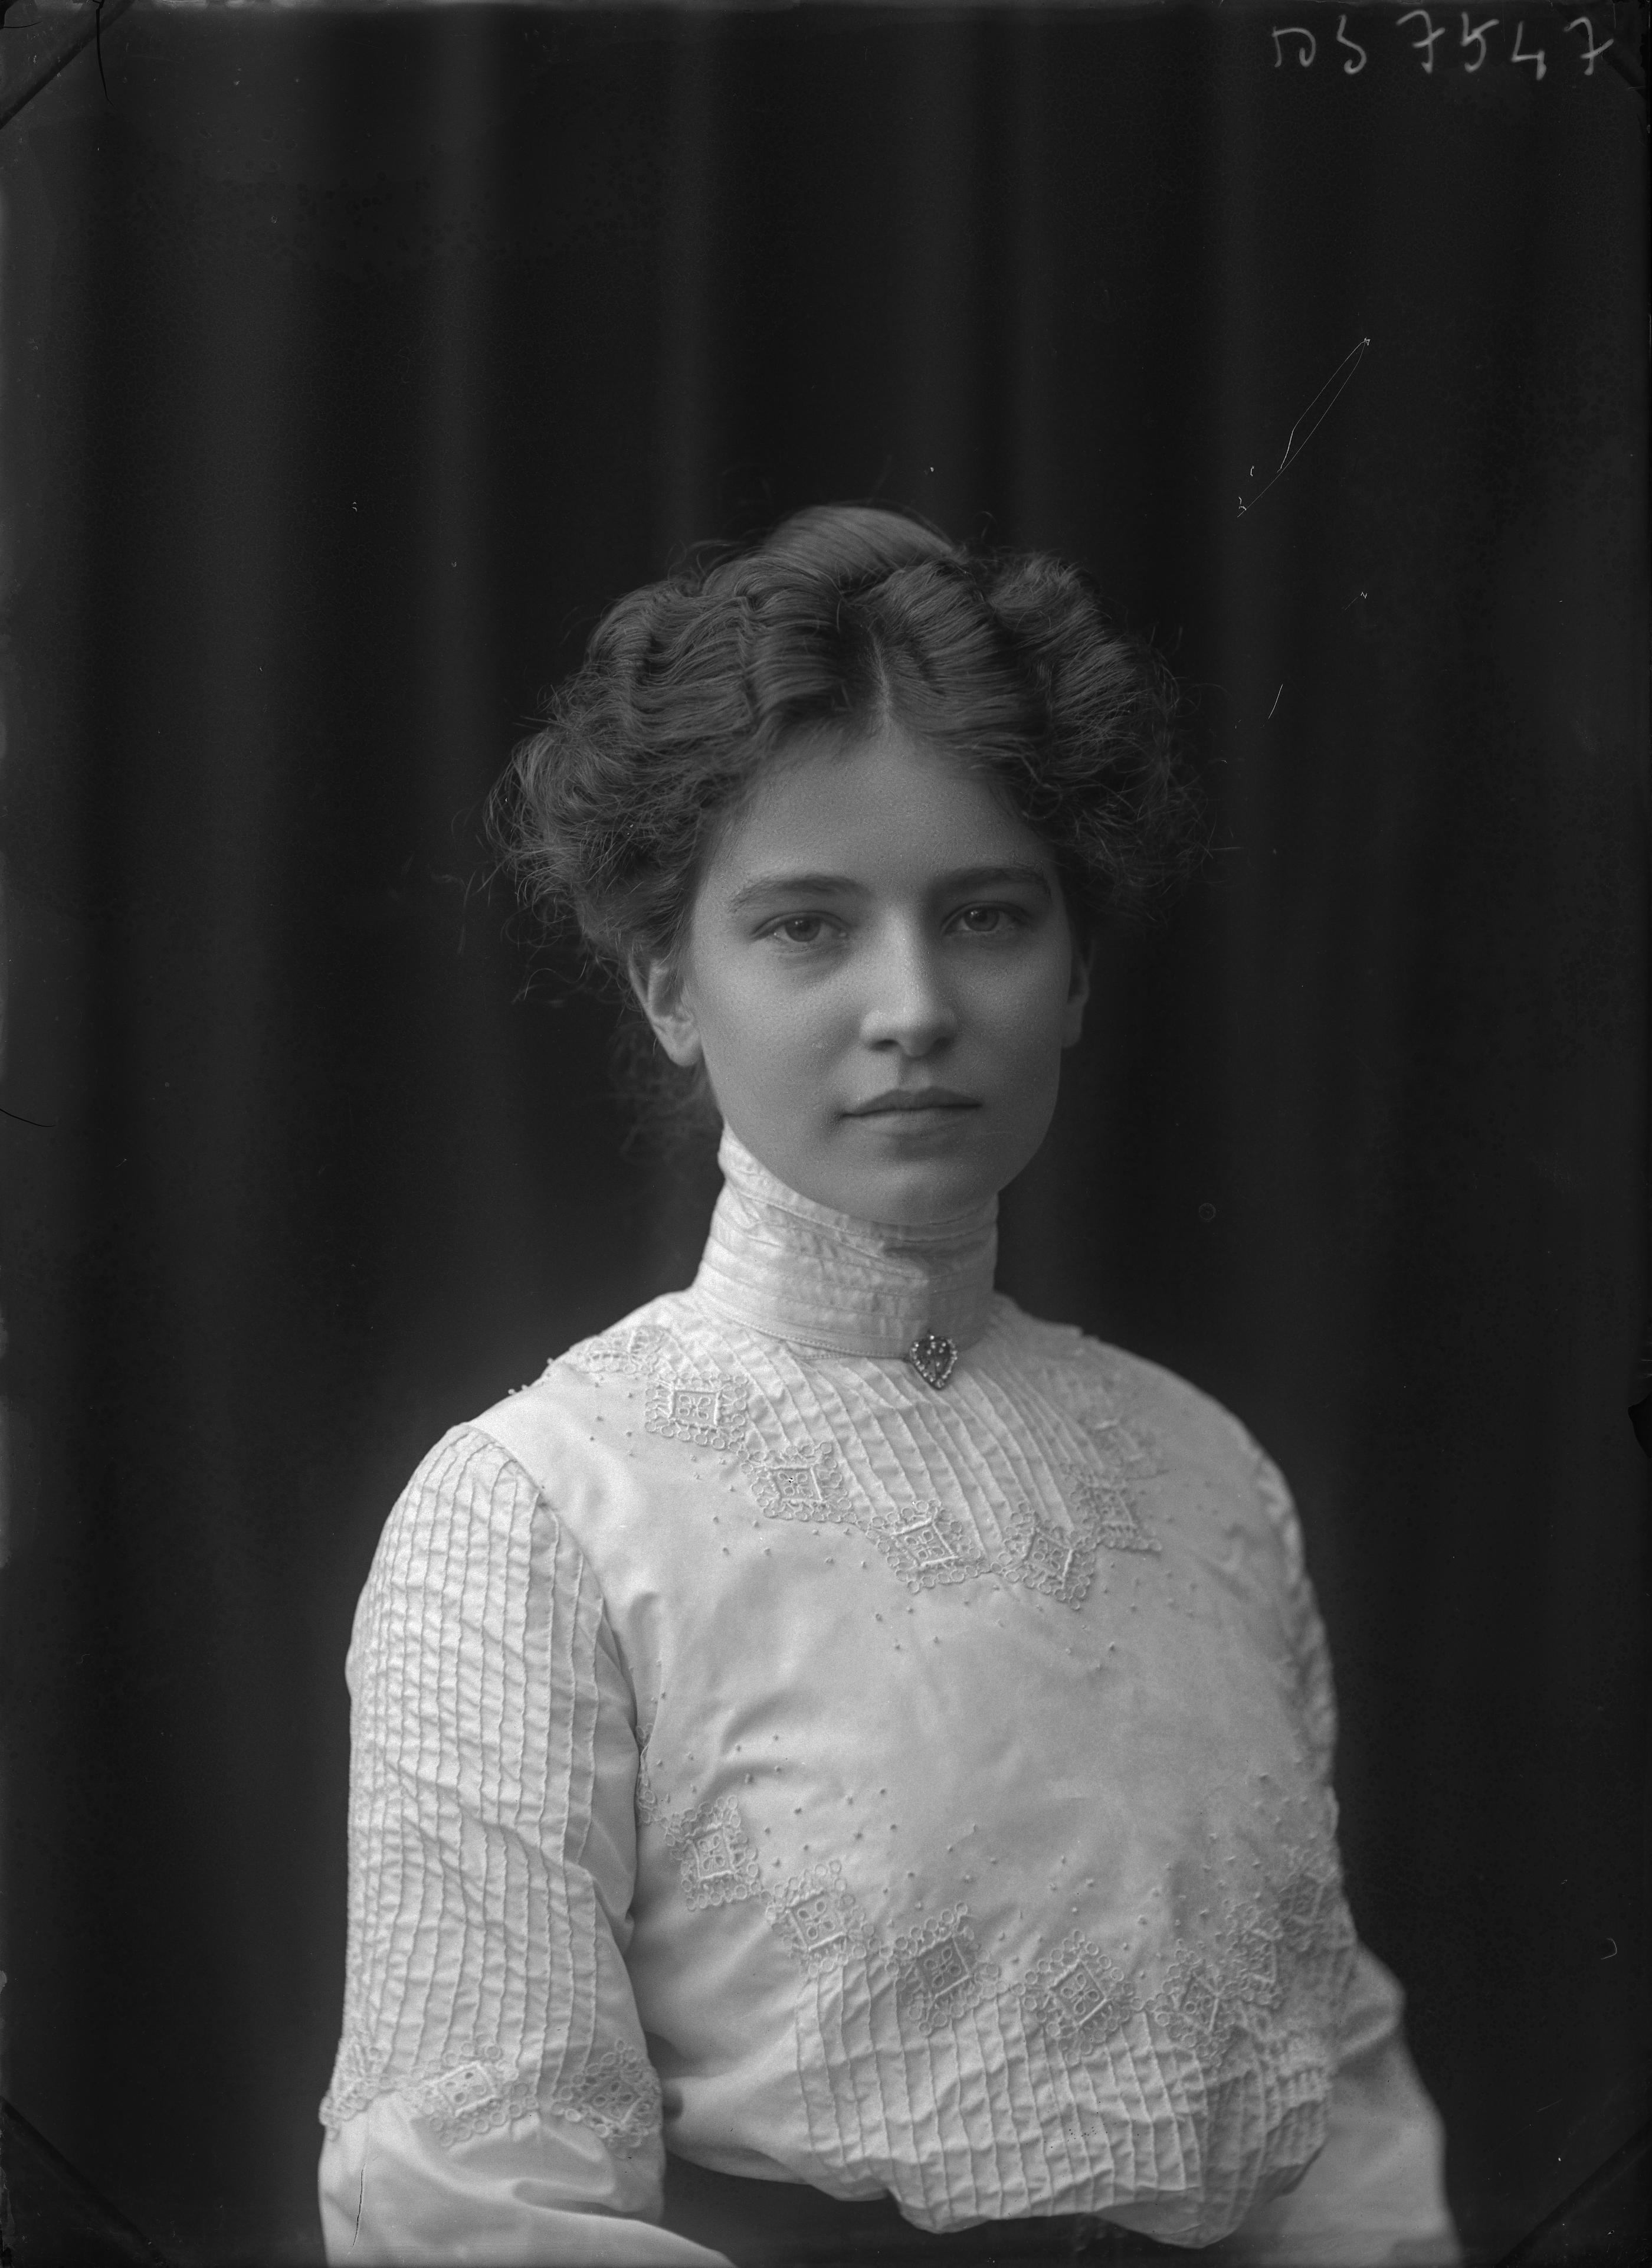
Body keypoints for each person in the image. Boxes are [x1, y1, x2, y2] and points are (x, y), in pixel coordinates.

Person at [317, 506, 1457, 2266]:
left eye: (988, 915)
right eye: (806, 927)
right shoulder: (542, 1508)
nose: (914, 1005)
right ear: (667, 983)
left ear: (1074, 971)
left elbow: (1343, 2114)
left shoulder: (1207, 1471)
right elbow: (470, 2202)